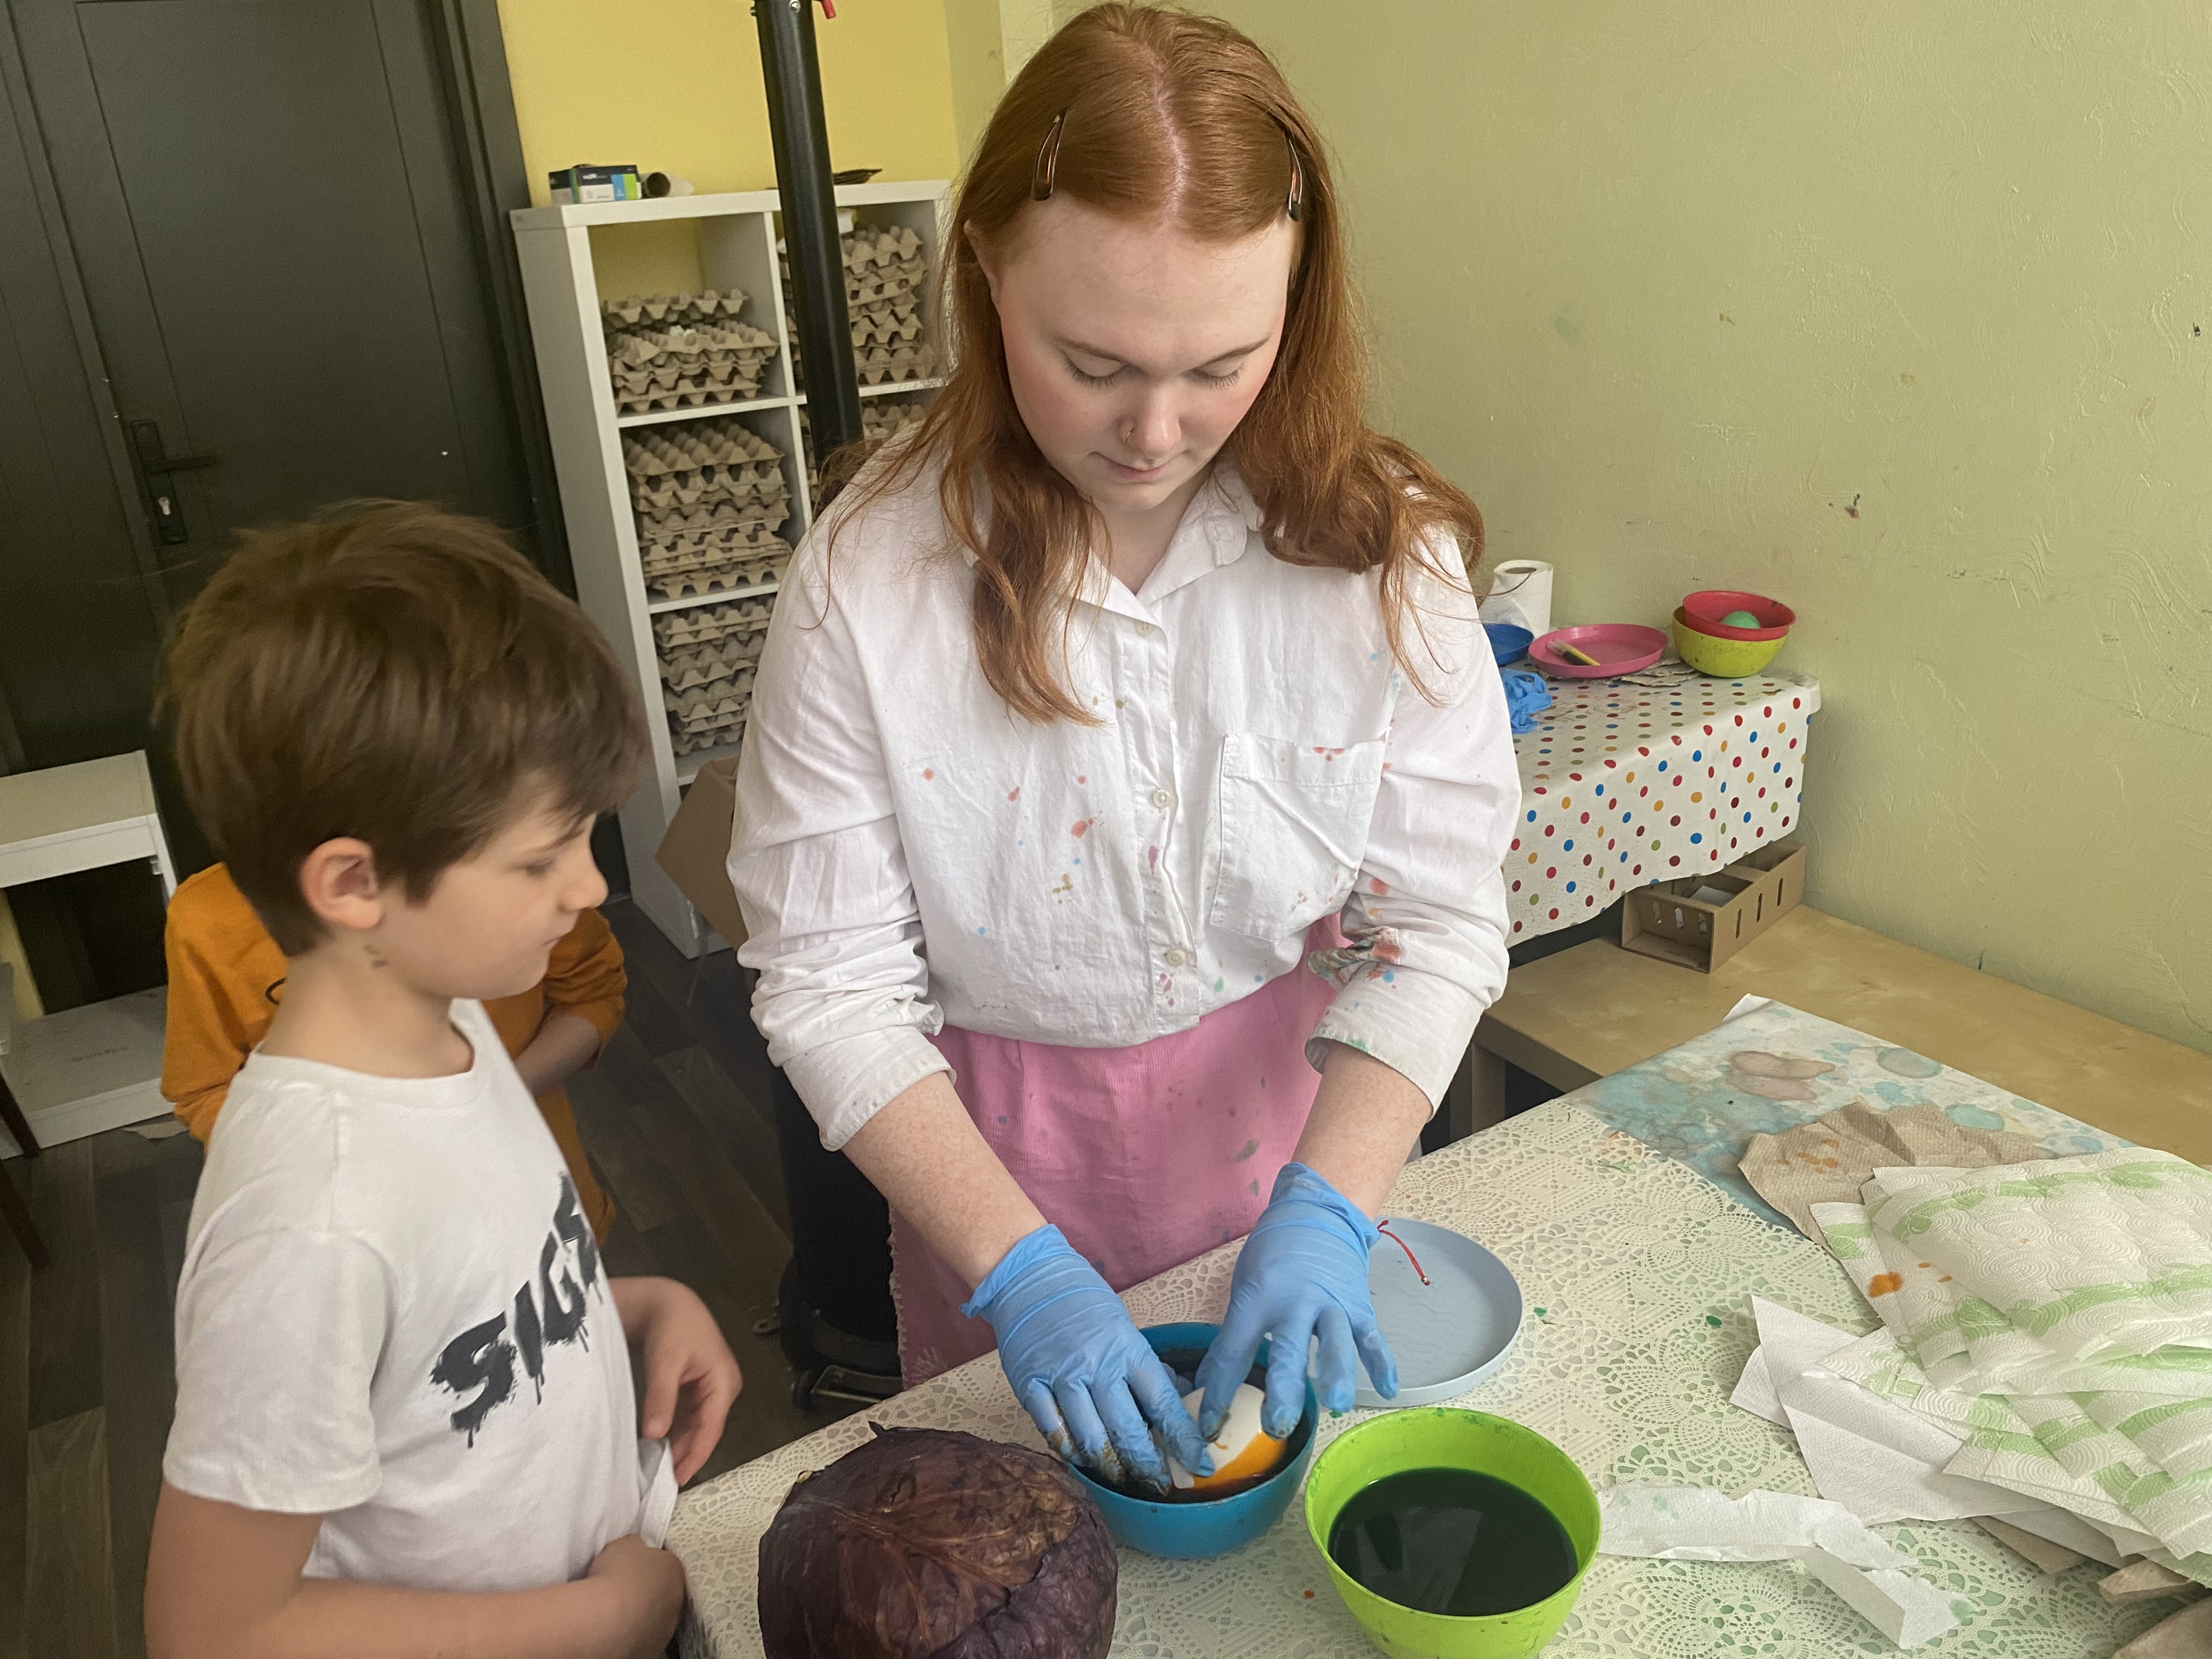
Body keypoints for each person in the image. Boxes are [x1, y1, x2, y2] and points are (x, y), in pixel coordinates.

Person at [729, 3, 1518, 1496]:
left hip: (1291, 1135)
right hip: (990, 1162)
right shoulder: (870, 581)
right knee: (1023, 1529)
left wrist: (1330, 1211)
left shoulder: (1379, 558)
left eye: (1224, 363)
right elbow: (830, 983)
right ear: (985, 276)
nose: (1157, 431)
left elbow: (1437, 920)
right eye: (1091, 362)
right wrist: (1020, 1272)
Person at [144, 504, 740, 1659]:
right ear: (354, 885)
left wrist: (637, 1305)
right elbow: (215, 1629)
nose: (591, 888)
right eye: (540, 857)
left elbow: (443, 1336)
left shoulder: (450, 1017)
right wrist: (606, 1615)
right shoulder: (307, 1220)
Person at [160, 862, 628, 1242]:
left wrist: (499, 1093)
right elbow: (206, 1088)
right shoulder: (211, 918)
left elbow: (593, 990)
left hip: (540, 1213)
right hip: (363, 1243)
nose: (592, 885)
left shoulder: (504, 861)